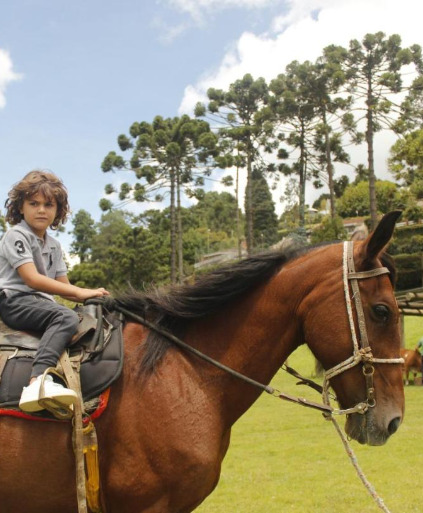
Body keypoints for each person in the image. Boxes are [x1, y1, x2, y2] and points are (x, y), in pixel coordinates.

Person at [0, 170, 109, 412]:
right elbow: (32, 279)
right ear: (20, 208)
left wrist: (92, 294)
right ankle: (38, 381)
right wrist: (80, 292)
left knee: (87, 318)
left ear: (57, 211)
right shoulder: (16, 235)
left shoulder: (54, 246)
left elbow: (66, 288)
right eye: (33, 203)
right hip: (15, 301)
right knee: (65, 316)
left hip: (40, 302)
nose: (41, 210)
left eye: (48, 205)